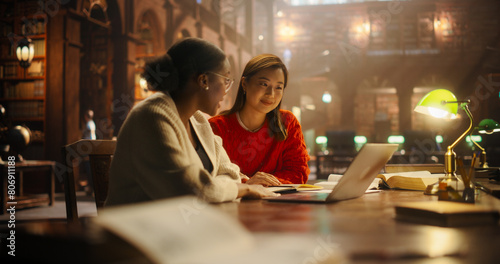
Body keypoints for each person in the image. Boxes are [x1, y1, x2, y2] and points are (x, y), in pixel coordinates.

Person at [105, 38, 278, 206]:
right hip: (135, 231)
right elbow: (193, 191)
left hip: (181, 226)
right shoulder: (152, 116)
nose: (227, 90)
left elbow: (230, 173)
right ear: (203, 80)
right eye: (226, 80)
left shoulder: (198, 120)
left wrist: (219, 186)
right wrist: (243, 189)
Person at [209, 54, 309, 186]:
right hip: (231, 204)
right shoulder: (216, 127)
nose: (271, 94)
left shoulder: (288, 122)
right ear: (244, 84)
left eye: (278, 87)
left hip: (279, 204)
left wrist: (259, 183)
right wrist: (247, 183)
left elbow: (298, 173)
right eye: (263, 84)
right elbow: (211, 175)